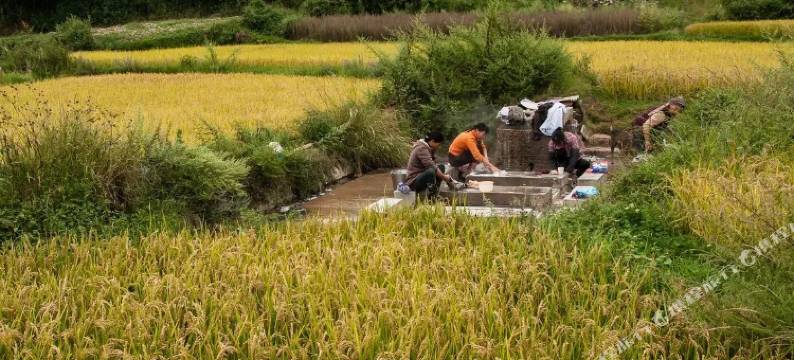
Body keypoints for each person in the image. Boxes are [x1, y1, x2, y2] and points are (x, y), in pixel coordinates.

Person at [405, 131, 453, 197]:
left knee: (441, 167)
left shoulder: (428, 147)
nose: (438, 146)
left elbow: (433, 163)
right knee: (431, 171)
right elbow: (431, 166)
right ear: (432, 141)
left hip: (421, 175)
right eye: (438, 144)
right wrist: (445, 177)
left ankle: (435, 191)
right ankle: (431, 196)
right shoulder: (421, 148)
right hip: (413, 181)